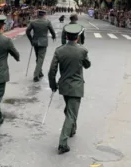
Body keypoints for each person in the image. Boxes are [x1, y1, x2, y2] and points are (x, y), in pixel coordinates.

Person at [48, 24, 91, 155]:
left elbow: (52, 71)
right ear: (77, 37)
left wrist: (53, 85)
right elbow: (87, 65)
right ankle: (62, 143)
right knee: (72, 114)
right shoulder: (82, 51)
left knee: (70, 109)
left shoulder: (59, 50)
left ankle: (72, 129)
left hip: (64, 85)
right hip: (76, 86)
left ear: (66, 36)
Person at [26, 10, 56, 82]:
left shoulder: (33, 22)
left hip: (35, 42)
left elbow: (27, 31)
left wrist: (31, 40)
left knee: (38, 57)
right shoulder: (47, 22)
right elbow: (52, 31)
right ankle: (36, 74)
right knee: (40, 58)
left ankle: (40, 72)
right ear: (44, 15)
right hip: (43, 42)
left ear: (38, 15)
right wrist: (53, 36)